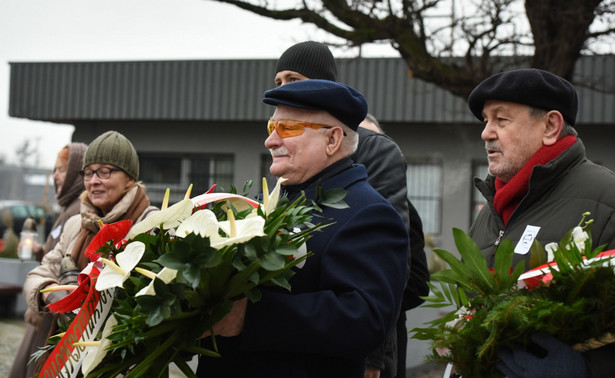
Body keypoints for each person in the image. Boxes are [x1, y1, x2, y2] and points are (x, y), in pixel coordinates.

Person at [196, 79, 409, 378]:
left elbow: (364, 319)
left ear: (333, 139)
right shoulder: (260, 204)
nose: (271, 141)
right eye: (271, 128)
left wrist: (249, 317)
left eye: (288, 128)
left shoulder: (369, 213)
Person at [274, 40, 430, 378]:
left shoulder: (376, 151)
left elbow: (384, 264)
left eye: (294, 79)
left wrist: (372, 357)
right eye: (279, 82)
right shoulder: (289, 156)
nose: (285, 88)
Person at [467, 68, 615, 377]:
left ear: (550, 126)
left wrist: (587, 371)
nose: (486, 133)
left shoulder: (607, 200)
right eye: (485, 120)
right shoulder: (489, 212)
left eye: (501, 119)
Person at [23, 131, 158, 372]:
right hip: (67, 359)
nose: (94, 180)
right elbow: (39, 274)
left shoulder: (151, 223)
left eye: (105, 171)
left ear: (130, 178)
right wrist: (53, 297)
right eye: (88, 173)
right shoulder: (76, 223)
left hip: (125, 362)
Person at [9, 142, 87, 378]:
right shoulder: (68, 208)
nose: (55, 176)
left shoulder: (78, 211)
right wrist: (40, 251)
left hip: (50, 314)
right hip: (44, 308)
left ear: (76, 173)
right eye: (55, 169)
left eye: (62, 170)